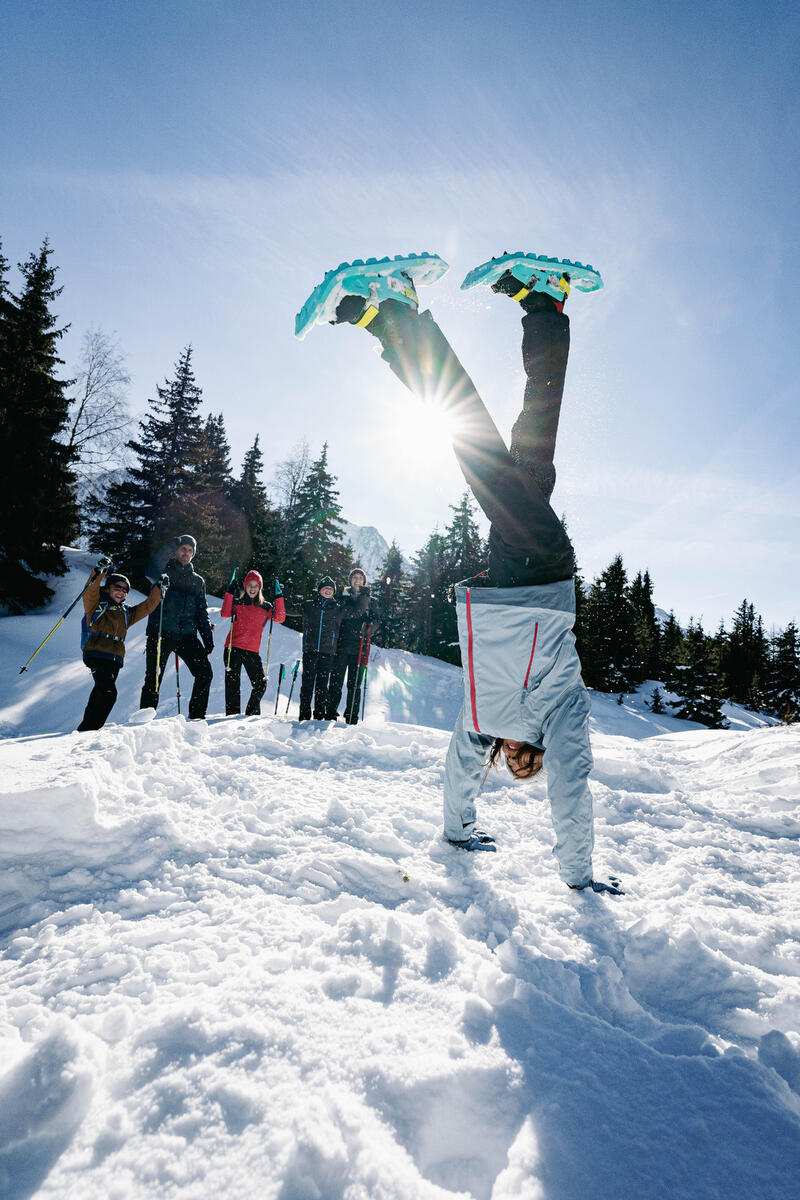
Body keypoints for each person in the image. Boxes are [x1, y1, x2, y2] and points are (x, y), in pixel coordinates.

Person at [323, 253, 620, 892]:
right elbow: (573, 789)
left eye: (508, 764)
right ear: (533, 754)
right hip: (541, 570)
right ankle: (388, 313)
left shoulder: (484, 718)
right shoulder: (563, 711)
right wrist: (579, 877)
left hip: (508, 567)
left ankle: (544, 305)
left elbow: (461, 766)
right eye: (523, 763)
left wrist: (457, 830)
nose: (514, 759)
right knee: (473, 442)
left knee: (531, 439)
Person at [78, 563, 164, 731]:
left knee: (100, 692)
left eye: (125, 590)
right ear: (108, 588)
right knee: (109, 693)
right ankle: (91, 729)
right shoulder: (96, 606)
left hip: (115, 658)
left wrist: (159, 588)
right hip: (96, 653)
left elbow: (147, 606)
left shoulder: (126, 613)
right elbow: (90, 592)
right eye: (117, 587)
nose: (121, 592)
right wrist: (99, 572)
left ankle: (85, 728)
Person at [139, 534, 214, 720]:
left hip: (187, 636)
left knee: (205, 673)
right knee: (153, 679)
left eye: (190, 550)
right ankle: (143, 722)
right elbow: (150, 569)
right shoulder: (163, 572)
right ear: (176, 551)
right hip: (160, 633)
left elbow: (201, 612)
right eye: (183, 549)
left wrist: (207, 638)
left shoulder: (198, 581)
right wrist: (171, 544)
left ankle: (196, 718)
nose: (186, 553)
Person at [221, 571, 286, 715]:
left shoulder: (266, 607)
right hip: (233, 648)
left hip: (252, 651)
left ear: (260, 588)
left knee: (260, 683)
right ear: (245, 586)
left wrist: (279, 597)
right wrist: (229, 593)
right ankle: (232, 715)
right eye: (249, 585)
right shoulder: (237, 603)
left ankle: (251, 714)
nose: (252, 588)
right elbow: (225, 613)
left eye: (256, 586)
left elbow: (280, 617)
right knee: (232, 684)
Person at [328, 566, 375, 723]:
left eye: (360, 578)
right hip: (341, 646)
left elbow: (377, 621)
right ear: (350, 580)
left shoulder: (370, 600)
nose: (357, 580)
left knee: (355, 685)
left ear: (364, 581)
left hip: (360, 649)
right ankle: (330, 713)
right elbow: (341, 615)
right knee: (336, 681)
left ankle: (352, 717)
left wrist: (370, 626)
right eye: (354, 577)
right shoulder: (342, 597)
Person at [299, 576, 343, 721]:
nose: (328, 591)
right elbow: (290, 610)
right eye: (326, 588)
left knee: (322, 686)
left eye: (331, 589)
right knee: (307, 684)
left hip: (327, 652)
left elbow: (355, 613)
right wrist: (283, 594)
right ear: (319, 590)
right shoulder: (309, 606)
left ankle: (319, 715)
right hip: (310, 650)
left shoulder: (337, 609)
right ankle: (304, 714)